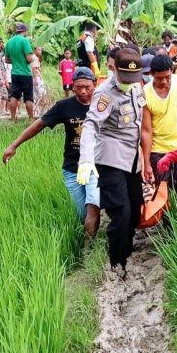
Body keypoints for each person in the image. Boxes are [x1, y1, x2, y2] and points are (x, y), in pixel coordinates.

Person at [3, 67, 101, 239]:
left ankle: (89, 250)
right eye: (78, 87)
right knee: (81, 213)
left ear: (95, 84)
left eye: (87, 86)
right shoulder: (64, 106)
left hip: (96, 164)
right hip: (72, 166)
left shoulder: (103, 105)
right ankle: (88, 237)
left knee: (93, 204)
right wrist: (14, 145)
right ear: (72, 87)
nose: (83, 91)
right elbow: (39, 125)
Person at [76, 48, 146, 277]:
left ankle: (126, 248)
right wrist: (86, 159)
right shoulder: (104, 93)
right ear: (114, 69)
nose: (129, 83)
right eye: (124, 78)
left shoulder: (137, 85)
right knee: (121, 211)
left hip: (133, 158)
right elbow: (90, 125)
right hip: (110, 157)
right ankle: (117, 262)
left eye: (132, 79)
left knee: (135, 209)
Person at [141, 54, 177, 195]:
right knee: (161, 189)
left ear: (172, 71)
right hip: (158, 149)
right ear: (151, 74)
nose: (164, 81)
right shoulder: (145, 93)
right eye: (159, 78)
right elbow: (146, 131)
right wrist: (146, 163)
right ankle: (164, 217)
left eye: (167, 77)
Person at [5, 22, 36, 120]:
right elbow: (28, 59)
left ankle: (13, 118)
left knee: (14, 96)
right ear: (25, 31)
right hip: (26, 73)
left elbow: (6, 60)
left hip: (14, 73)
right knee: (28, 98)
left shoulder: (9, 42)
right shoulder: (25, 41)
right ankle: (31, 118)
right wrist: (33, 58)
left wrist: (15, 61)